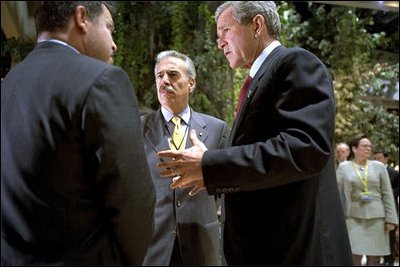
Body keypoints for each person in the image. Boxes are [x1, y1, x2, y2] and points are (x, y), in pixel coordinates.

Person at [156, 1, 352, 265]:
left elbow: (305, 149)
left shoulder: (296, 63)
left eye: (225, 30)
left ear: (257, 25)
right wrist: (210, 171)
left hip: (294, 250)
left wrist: (211, 164)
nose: (220, 43)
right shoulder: (258, 79)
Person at [1, 2, 155, 265]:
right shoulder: (102, 80)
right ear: (82, 17)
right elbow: (134, 201)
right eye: (109, 28)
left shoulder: (9, 85)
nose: (114, 44)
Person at [141, 50, 229, 265]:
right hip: (153, 246)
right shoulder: (137, 128)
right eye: (160, 76)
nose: (165, 81)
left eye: (173, 75)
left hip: (201, 242)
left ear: (191, 83)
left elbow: (223, 185)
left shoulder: (217, 129)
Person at [337, 135, 399, 266]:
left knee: (375, 258)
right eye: (364, 146)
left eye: (370, 146)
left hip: (377, 217)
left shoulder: (379, 166)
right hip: (353, 217)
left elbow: (387, 193)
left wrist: (391, 219)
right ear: (354, 148)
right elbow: (337, 193)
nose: (368, 149)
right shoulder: (344, 167)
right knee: (354, 256)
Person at [374, 150, 399, 266]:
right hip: (375, 207)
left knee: (390, 235)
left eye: (379, 158)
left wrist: (387, 193)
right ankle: (376, 259)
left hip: (390, 207)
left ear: (386, 159)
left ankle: (389, 260)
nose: (377, 161)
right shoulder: (372, 171)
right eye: (375, 158)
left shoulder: (394, 173)